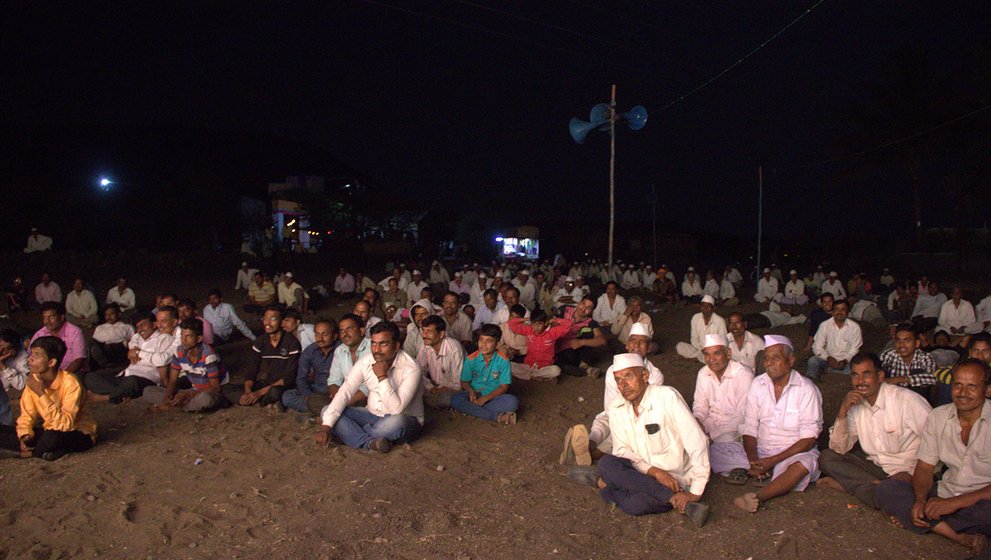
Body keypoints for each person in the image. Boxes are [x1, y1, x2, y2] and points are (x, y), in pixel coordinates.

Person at [875, 359, 991, 554]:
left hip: (981, 501)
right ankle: (956, 534)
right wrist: (920, 500)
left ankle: (926, 522)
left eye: (972, 386)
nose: (963, 393)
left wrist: (952, 504)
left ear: (987, 390)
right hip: (945, 492)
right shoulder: (938, 416)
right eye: (958, 385)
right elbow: (924, 468)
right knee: (888, 489)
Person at [594, 353, 710, 526]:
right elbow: (621, 451)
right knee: (606, 463)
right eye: (618, 380)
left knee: (634, 504)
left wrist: (695, 492)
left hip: (675, 480)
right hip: (642, 474)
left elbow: (697, 441)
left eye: (629, 376)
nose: (623, 385)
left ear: (645, 376)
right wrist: (655, 472)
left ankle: (604, 484)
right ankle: (671, 499)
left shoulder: (667, 397)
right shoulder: (616, 407)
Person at [818, 352, 931, 509]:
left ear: (879, 376)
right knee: (826, 457)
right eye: (855, 376)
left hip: (906, 472)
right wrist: (843, 410)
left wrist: (913, 473)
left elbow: (936, 441)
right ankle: (880, 489)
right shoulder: (855, 404)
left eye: (866, 374)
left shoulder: (906, 400)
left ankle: (856, 488)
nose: (860, 381)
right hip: (876, 468)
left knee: (904, 488)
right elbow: (839, 448)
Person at [735, 335, 823, 513]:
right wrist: (754, 460)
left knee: (804, 465)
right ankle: (760, 471)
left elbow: (808, 440)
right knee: (716, 451)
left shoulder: (807, 390)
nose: (769, 363)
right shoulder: (757, 384)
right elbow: (750, 426)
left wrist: (772, 461)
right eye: (766, 358)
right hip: (761, 451)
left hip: (792, 454)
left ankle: (758, 496)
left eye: (776, 357)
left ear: (791, 360)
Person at [561, 323, 662, 466]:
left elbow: (645, 409)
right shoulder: (613, 369)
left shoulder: (655, 375)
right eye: (633, 340)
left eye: (642, 342)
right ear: (627, 344)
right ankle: (588, 444)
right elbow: (610, 406)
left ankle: (592, 453)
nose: (636, 345)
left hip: (640, 418)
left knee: (626, 431)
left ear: (649, 347)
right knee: (603, 419)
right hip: (616, 410)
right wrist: (614, 416)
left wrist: (621, 418)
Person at [315, 322, 424, 453]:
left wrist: (382, 376)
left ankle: (352, 434)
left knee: (397, 422)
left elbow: (397, 409)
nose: (376, 350)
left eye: (383, 344)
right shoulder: (366, 362)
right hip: (371, 416)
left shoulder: (411, 367)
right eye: (373, 343)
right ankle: (370, 443)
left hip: (405, 421)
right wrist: (326, 427)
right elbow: (345, 391)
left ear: (396, 346)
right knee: (327, 410)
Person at [0, 337, 96, 460]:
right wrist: (25, 436)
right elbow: (26, 416)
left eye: (37, 355)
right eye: (31, 354)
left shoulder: (71, 383)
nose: (30, 359)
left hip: (77, 432)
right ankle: (46, 451)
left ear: (51, 362)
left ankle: (31, 453)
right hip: (48, 431)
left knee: (53, 436)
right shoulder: (34, 380)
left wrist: (41, 393)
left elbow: (64, 424)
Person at [693, 334, 755, 482]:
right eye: (707, 354)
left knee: (713, 447)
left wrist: (710, 437)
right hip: (712, 423)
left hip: (735, 429)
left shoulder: (744, 374)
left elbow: (742, 416)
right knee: (685, 437)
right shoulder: (703, 373)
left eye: (716, 353)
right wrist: (697, 424)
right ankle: (734, 465)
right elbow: (700, 407)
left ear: (728, 353)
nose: (711, 359)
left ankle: (742, 464)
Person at [222, 306, 301, 410]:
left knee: (275, 392)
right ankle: (251, 400)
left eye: (272, 319)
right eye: (265, 318)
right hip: (268, 383)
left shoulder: (291, 342)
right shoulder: (261, 341)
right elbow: (252, 369)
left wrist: (259, 393)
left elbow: (290, 377)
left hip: (284, 385)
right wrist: (248, 391)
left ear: (282, 322)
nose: (267, 323)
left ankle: (261, 401)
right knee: (226, 388)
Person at [144, 319, 229, 413]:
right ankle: (176, 404)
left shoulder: (209, 355)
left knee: (206, 398)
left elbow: (215, 387)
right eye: (182, 336)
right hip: (194, 390)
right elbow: (173, 380)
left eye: (188, 336)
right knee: (148, 391)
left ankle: (176, 408)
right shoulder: (179, 352)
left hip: (211, 392)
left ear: (199, 338)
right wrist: (169, 394)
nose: (183, 340)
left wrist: (188, 394)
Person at [84, 313, 172, 404]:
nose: (140, 329)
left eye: (143, 324)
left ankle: (106, 397)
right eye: (138, 326)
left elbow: (161, 360)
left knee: (131, 382)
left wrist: (138, 353)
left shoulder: (164, 338)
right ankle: (122, 393)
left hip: (146, 378)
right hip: (126, 375)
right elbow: (132, 342)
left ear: (154, 325)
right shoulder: (138, 336)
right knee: (90, 377)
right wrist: (133, 349)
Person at [451, 324, 518, 424]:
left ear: (497, 344)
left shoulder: (503, 361)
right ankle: (496, 416)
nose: (483, 344)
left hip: (493, 397)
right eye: (481, 340)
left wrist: (484, 399)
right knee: (455, 399)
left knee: (512, 402)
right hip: (474, 395)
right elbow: (464, 381)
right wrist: (470, 390)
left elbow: (503, 387)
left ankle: (471, 411)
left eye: (489, 341)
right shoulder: (470, 359)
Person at [282, 319, 339, 415]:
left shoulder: (341, 349)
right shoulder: (310, 351)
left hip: (336, 390)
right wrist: (308, 396)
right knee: (287, 396)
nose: (320, 339)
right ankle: (325, 410)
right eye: (317, 334)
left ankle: (319, 410)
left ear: (334, 336)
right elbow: (301, 378)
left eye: (325, 335)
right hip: (316, 390)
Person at [321, 314, 371, 413]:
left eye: (349, 329)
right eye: (342, 330)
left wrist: (345, 402)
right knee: (314, 399)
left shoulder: (373, 348)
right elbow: (333, 380)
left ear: (361, 331)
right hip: (345, 396)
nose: (345, 334)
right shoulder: (340, 350)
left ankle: (329, 415)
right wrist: (338, 399)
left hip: (366, 397)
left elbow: (370, 386)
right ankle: (341, 413)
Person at [806, 299, 862, 381]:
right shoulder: (824, 325)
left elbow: (855, 349)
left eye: (843, 309)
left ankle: (830, 371)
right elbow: (817, 347)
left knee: (850, 371)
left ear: (847, 312)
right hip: (828, 359)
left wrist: (845, 360)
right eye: (837, 309)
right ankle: (812, 381)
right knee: (813, 361)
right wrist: (828, 358)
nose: (839, 312)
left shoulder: (855, 327)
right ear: (832, 312)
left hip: (846, 361)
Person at [507, 310, 572, 381]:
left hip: (545, 367)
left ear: (545, 323)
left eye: (539, 324)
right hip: (529, 365)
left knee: (556, 370)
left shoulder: (552, 332)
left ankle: (529, 375)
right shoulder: (529, 330)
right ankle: (534, 376)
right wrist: (527, 319)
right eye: (533, 324)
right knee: (507, 365)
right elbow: (511, 323)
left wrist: (555, 320)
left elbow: (569, 324)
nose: (536, 327)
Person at [416, 315, 465, 408]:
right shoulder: (425, 346)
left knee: (447, 398)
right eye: (423, 330)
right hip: (434, 387)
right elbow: (418, 372)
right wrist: (431, 387)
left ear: (441, 334)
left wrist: (440, 389)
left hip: (451, 389)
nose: (424, 335)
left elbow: (458, 382)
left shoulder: (453, 348)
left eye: (429, 331)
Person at [879, 323, 937, 402]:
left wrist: (900, 379)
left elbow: (932, 378)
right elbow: (875, 375)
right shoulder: (888, 355)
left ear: (917, 343)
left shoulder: (925, 357)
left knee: (919, 374)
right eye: (898, 341)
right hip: (892, 400)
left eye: (907, 341)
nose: (901, 345)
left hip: (916, 401)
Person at [555, 295, 608, 377]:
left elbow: (602, 340)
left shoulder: (590, 322)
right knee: (558, 363)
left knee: (588, 332)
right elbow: (551, 324)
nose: (583, 309)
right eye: (583, 304)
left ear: (591, 312)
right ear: (579, 302)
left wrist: (582, 342)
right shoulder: (564, 309)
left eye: (588, 308)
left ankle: (582, 364)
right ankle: (586, 370)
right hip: (558, 346)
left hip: (574, 348)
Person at [30, 302, 86, 376]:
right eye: (45, 318)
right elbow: (31, 356)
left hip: (72, 372)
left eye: (51, 317)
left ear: (62, 317)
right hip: (47, 374)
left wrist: (61, 378)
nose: (47, 321)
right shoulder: (40, 334)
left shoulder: (75, 332)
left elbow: (79, 360)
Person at [675, 295, 727, 362]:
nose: (705, 308)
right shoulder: (695, 318)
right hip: (699, 349)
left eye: (708, 306)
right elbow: (694, 338)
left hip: (713, 350)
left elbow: (723, 341)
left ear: (713, 308)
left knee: (718, 356)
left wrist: (709, 350)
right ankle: (701, 358)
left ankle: (697, 358)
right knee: (680, 345)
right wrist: (702, 349)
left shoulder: (719, 321)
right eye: (703, 306)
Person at [88, 304, 133, 370]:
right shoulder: (100, 327)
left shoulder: (126, 326)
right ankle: (102, 361)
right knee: (93, 344)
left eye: (111, 314)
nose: (109, 317)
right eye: (106, 315)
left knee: (110, 346)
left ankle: (105, 362)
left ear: (118, 314)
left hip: (119, 348)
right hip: (103, 347)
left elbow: (132, 340)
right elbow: (95, 341)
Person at [0, 330, 29, 427]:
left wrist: (3, 366)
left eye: (5, 349)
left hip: (5, 400)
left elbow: (21, 385)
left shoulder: (22, 358)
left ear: (13, 350)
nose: (1, 351)